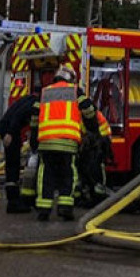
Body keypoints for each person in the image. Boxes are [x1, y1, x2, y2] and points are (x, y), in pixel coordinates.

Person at [35, 64, 99, 221]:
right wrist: (93, 129)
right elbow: (89, 110)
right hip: (67, 142)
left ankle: (44, 209)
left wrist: (33, 140)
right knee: (68, 174)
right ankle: (65, 207)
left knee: (46, 174)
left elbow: (35, 117)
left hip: (46, 142)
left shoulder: (45, 92)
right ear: (70, 77)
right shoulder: (75, 91)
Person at [0, 89, 39, 214]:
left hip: (7, 127)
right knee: (13, 165)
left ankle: (14, 200)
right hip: (10, 129)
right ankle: (13, 203)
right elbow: (18, 116)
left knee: (12, 164)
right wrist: (10, 133)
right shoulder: (33, 103)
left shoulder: (27, 99)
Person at [75, 108, 114, 207]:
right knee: (87, 167)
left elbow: (82, 132)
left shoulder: (80, 113)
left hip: (100, 140)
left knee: (94, 167)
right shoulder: (85, 110)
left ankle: (99, 193)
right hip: (96, 139)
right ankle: (95, 192)